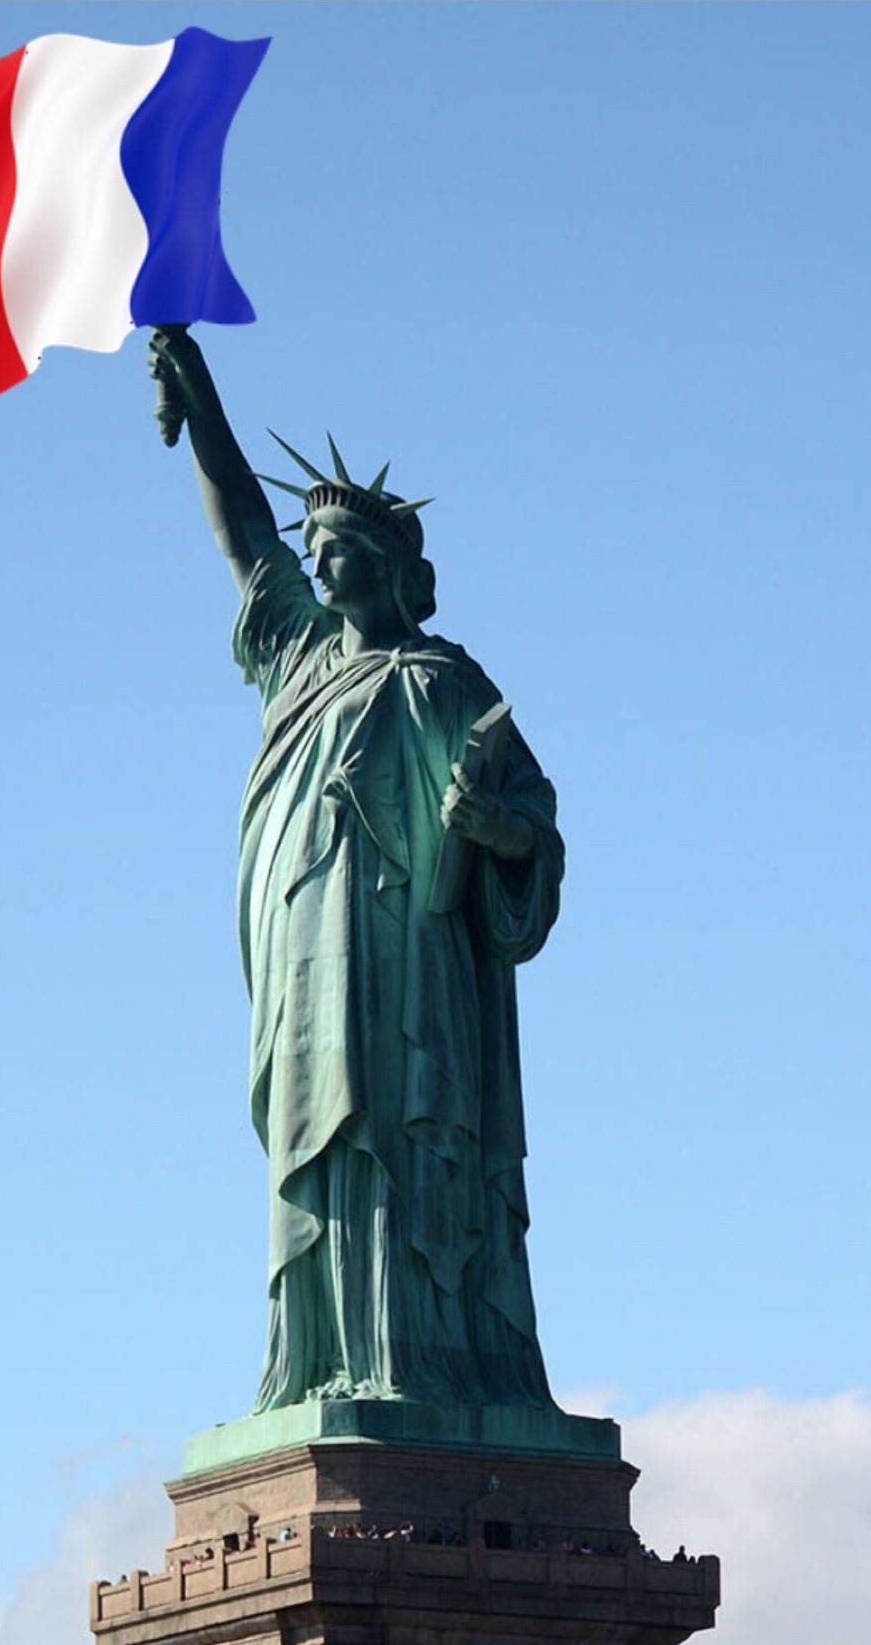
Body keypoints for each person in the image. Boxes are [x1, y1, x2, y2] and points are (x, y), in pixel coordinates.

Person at [148, 327, 564, 1416]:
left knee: (398, 1126)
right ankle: (324, 1355)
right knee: (320, 1129)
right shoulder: (296, 660)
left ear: (384, 565)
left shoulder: (443, 682)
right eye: (314, 548)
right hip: (305, 949)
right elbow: (245, 536)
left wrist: (492, 826)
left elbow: (535, 826)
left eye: (336, 548)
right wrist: (201, 401)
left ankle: (421, 1358)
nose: (318, 562)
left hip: (411, 959)